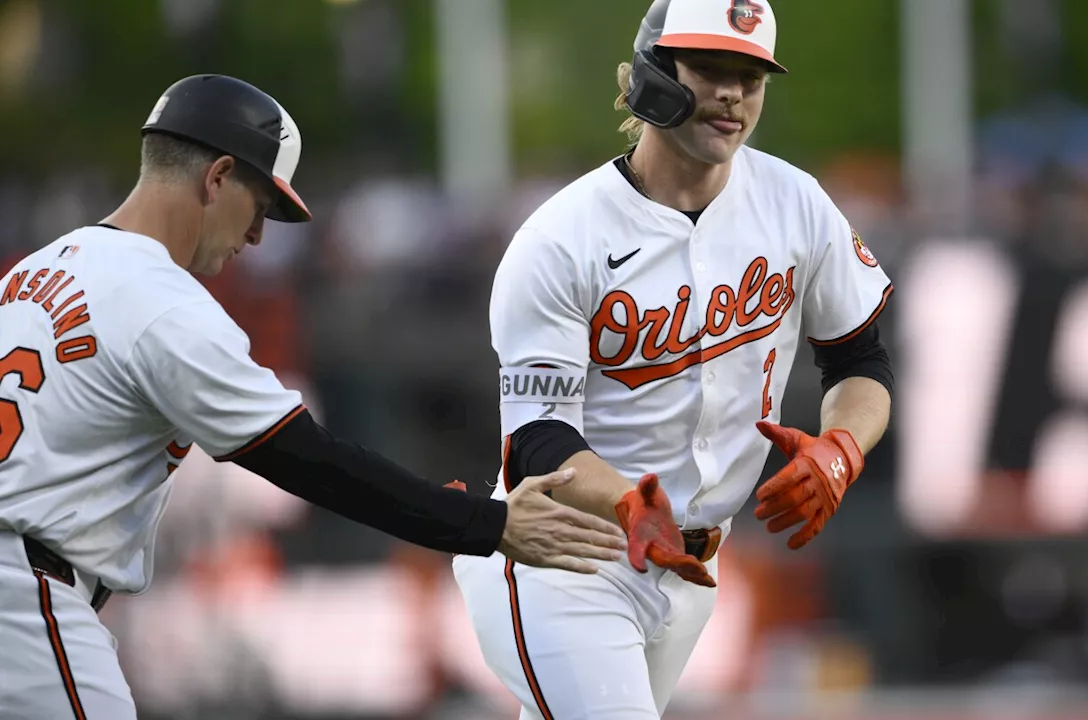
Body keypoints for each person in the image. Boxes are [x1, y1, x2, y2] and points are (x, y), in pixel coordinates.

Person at [0, 73, 626, 720]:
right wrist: (487, 526)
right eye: (261, 206)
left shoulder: (34, 271)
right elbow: (308, 459)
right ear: (216, 177)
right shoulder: (162, 303)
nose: (258, 238)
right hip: (26, 596)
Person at [451, 0, 895, 717]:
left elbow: (861, 361)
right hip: (568, 553)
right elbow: (537, 442)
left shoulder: (795, 204)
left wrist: (841, 447)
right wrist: (630, 503)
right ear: (654, 74)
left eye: (751, 76)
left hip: (695, 568)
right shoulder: (563, 237)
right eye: (712, 68)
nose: (733, 93)